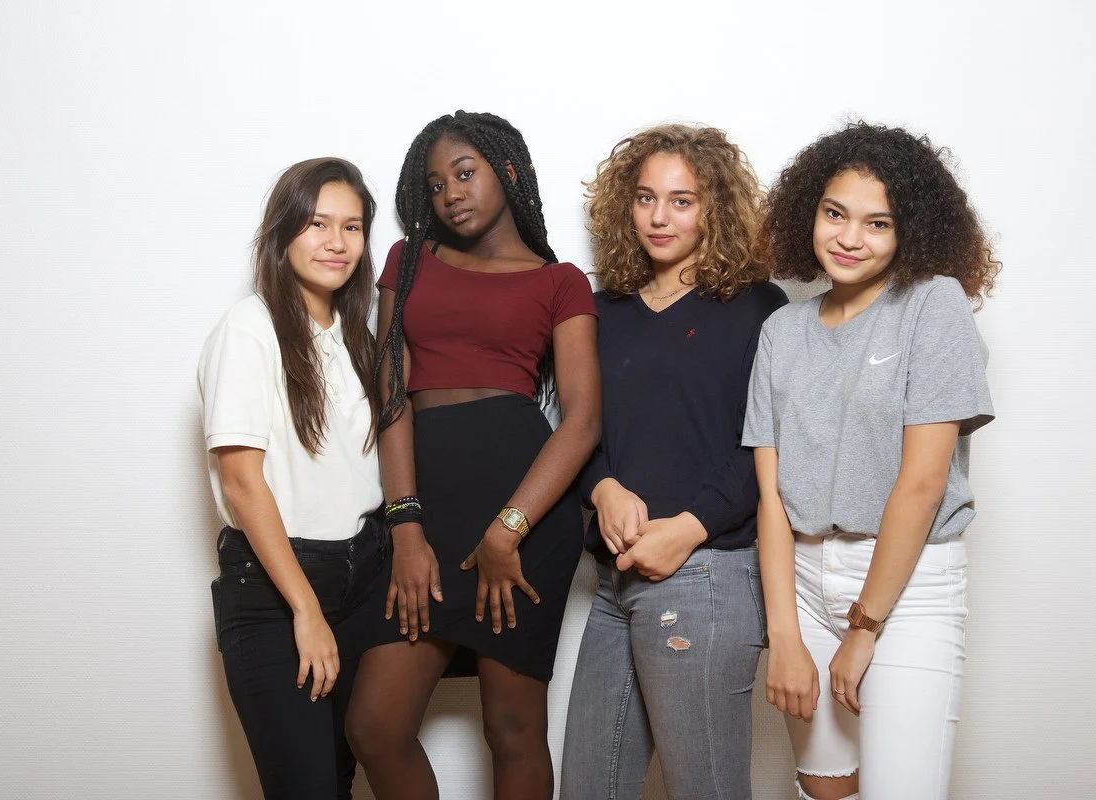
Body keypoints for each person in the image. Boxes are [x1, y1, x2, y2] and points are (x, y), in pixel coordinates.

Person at [345, 110, 601, 800]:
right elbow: (390, 394)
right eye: (434, 185)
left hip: (525, 512)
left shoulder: (560, 281)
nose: (451, 193)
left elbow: (581, 423)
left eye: (465, 173)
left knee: (512, 729)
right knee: (375, 723)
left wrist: (507, 529)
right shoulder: (410, 262)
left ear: (507, 171)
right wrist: (405, 523)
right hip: (427, 502)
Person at [744, 122, 1001, 800]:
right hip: (800, 580)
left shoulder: (932, 305)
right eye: (835, 213)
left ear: (909, 233)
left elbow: (921, 485)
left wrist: (864, 628)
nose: (849, 237)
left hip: (907, 586)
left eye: (876, 223)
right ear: (810, 213)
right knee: (825, 788)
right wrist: (785, 636)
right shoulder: (781, 331)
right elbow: (770, 497)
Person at [559, 123, 787, 800]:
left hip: (707, 575)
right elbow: (577, 429)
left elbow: (770, 452)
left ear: (714, 207)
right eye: (646, 198)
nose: (660, 217)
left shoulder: (758, 308)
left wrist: (687, 527)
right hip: (612, 581)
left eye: (682, 200)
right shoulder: (601, 312)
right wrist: (600, 489)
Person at [199, 158, 384, 799]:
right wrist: (305, 609)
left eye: (353, 227)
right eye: (316, 224)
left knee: (339, 777)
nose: (337, 242)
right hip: (278, 591)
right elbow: (243, 481)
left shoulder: (356, 335)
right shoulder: (250, 330)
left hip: (363, 577)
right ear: (282, 234)